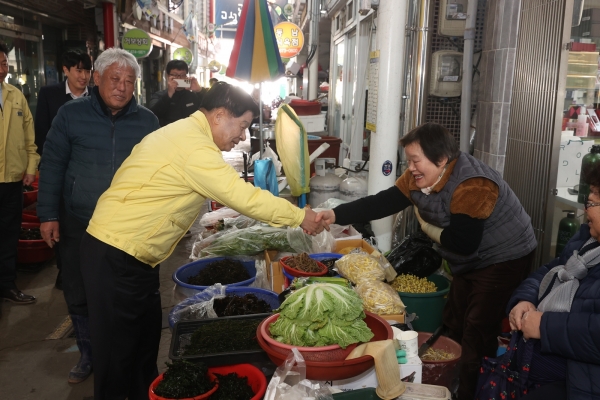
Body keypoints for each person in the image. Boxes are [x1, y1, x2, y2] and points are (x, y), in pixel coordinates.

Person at [80, 81, 327, 399]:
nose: (241, 136)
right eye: (241, 126)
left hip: (133, 256)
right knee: (117, 359)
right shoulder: (193, 145)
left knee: (141, 351)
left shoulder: (188, 135)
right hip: (114, 254)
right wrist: (300, 217)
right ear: (220, 115)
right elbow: (242, 196)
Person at [318, 123, 537, 400]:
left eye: (415, 160)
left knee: (478, 328)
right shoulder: (420, 177)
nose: (410, 167)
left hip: (505, 255)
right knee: (454, 318)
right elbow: (383, 202)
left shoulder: (474, 184)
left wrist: (426, 226)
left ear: (442, 159)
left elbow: (463, 242)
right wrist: (335, 215)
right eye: (408, 160)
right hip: (469, 258)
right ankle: (448, 377)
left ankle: (469, 392)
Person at [37, 48, 159, 384]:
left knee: (126, 294)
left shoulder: (147, 121)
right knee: (78, 290)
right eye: (114, 79)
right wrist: (47, 214)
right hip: (80, 221)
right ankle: (89, 354)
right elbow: (52, 165)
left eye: (129, 81)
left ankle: (123, 355)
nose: (121, 87)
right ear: (97, 79)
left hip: (130, 227)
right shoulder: (70, 115)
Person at [506, 161, 600, 400]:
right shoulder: (586, 243)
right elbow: (551, 270)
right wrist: (525, 299)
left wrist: (545, 327)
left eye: (591, 203)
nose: (584, 211)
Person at [35, 50, 93, 291]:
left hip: (89, 174)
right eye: (78, 70)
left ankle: (89, 268)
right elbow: (41, 135)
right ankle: (64, 270)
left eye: (87, 71)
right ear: (65, 70)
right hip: (62, 172)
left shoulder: (98, 96)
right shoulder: (50, 95)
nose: (84, 76)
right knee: (63, 223)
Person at [0, 42, 40, 308]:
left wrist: (30, 166)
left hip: (11, 180)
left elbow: (29, 135)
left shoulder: (15, 95)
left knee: (8, 234)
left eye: (4, 62)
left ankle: (6, 285)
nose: (3, 67)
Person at [147, 59, 207, 127]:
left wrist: (200, 90)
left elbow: (211, 107)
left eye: (182, 75)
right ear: (168, 76)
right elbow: (152, 115)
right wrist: (169, 95)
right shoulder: (158, 96)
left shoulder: (193, 96)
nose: (179, 78)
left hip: (190, 135)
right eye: (175, 75)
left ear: (186, 76)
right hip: (167, 136)